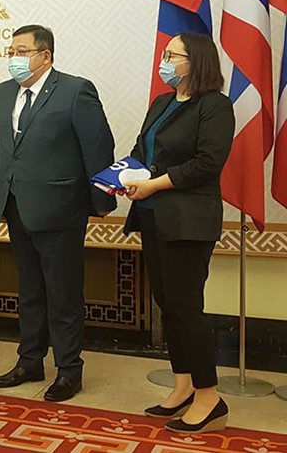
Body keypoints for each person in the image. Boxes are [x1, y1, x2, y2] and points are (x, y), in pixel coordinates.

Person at [0, 25, 116, 402]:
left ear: (45, 56)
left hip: (61, 209)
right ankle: (30, 361)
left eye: (22, 51)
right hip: (16, 205)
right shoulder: (2, 92)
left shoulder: (75, 90)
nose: (14, 58)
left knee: (63, 294)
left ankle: (69, 369)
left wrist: (101, 201)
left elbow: (98, 146)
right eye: (11, 51)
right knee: (29, 290)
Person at [124, 32, 234, 433]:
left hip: (188, 221)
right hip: (152, 217)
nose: (165, 61)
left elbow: (207, 163)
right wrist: (122, 176)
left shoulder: (215, 106)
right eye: (166, 54)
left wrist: (154, 184)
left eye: (173, 55)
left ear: (195, 61)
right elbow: (143, 152)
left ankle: (210, 397)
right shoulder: (162, 102)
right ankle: (183, 385)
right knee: (167, 305)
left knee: (186, 308)